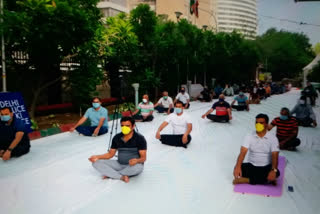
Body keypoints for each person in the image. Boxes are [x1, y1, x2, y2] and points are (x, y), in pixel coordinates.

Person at [89, 117, 146, 183]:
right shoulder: (117, 137)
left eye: (127, 126)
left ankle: (112, 174)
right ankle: (121, 176)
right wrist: (96, 157)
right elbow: (110, 154)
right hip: (119, 164)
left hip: (133, 165)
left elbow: (143, 158)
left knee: (137, 168)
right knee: (96, 163)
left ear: (133, 126)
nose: (124, 127)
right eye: (122, 126)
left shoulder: (140, 138)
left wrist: (137, 160)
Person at [233, 114, 280, 185]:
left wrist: (273, 170)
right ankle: (265, 180)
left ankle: (247, 180)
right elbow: (242, 152)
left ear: (266, 125)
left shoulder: (273, 138)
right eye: (256, 123)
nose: (258, 125)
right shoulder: (249, 136)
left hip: (266, 166)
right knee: (237, 168)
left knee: (277, 172)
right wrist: (238, 166)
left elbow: (275, 156)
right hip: (252, 166)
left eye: (261, 123)